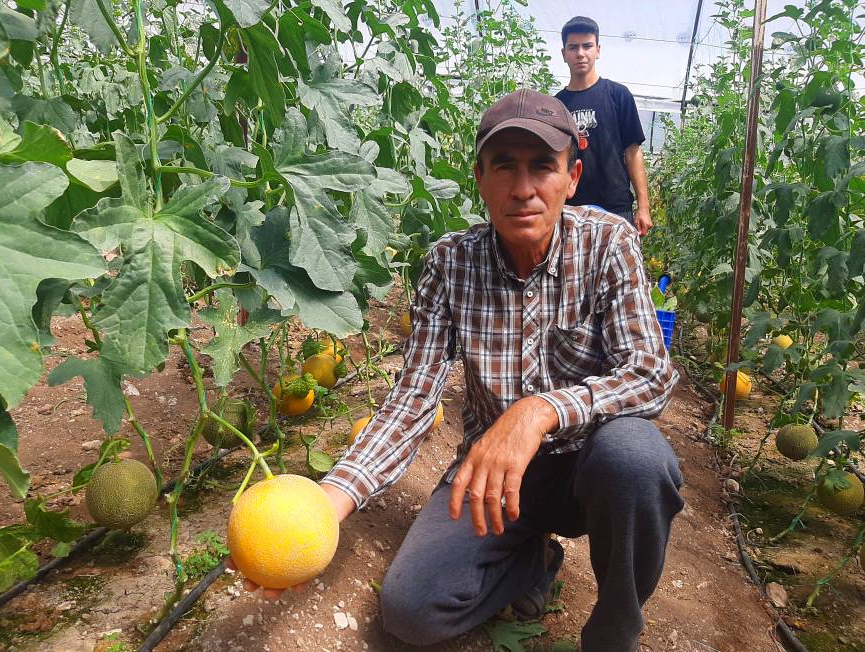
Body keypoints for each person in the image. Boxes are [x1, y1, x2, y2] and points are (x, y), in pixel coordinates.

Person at [234, 89, 683, 652]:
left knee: (636, 456)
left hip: (589, 470)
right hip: (493, 482)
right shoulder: (451, 263)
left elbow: (650, 372)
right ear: (480, 178)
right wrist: (328, 502)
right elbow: (414, 397)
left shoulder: (607, 243)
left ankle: (615, 632)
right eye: (505, 167)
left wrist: (539, 411)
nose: (524, 189)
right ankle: (533, 560)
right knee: (411, 611)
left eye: (543, 166)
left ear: (571, 178)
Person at [556, 16, 653, 237]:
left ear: (598, 50)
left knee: (620, 271)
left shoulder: (618, 95)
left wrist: (643, 207)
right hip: (572, 209)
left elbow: (633, 152)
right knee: (573, 272)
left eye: (587, 46)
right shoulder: (557, 105)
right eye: (573, 47)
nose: (580, 53)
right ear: (564, 54)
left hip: (616, 207)